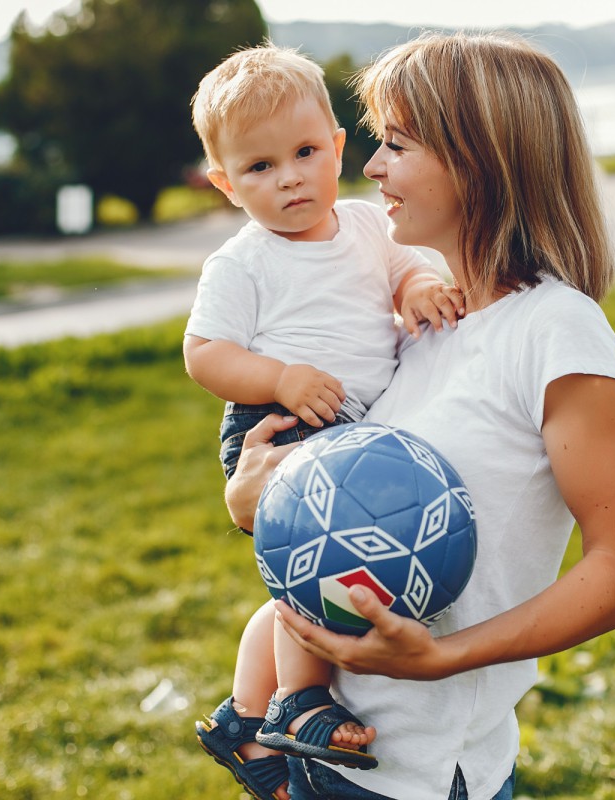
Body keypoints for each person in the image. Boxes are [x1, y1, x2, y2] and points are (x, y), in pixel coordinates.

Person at [224, 31, 615, 800]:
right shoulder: (424, 331)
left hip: (420, 775)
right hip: (329, 751)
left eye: (396, 143)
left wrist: (441, 658)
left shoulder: (557, 331)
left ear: (478, 158)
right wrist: (256, 496)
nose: (370, 167)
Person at [183, 44, 464, 800]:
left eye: (306, 153)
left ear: (338, 147)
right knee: (312, 577)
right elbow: (203, 354)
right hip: (281, 423)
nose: (290, 178)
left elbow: (405, 269)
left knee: (296, 585)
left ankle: (243, 718)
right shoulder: (243, 265)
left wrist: (419, 289)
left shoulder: (370, 226)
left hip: (350, 429)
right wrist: (279, 376)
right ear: (225, 184)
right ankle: (299, 699)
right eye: (260, 168)